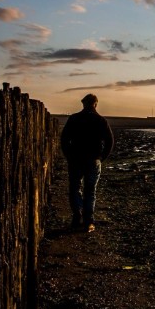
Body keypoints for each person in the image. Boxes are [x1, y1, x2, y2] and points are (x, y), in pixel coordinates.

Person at [61, 94, 114, 232]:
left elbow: (64, 139)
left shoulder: (74, 119)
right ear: (95, 104)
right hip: (93, 159)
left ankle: (77, 215)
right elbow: (110, 141)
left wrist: (69, 155)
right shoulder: (101, 120)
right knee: (90, 191)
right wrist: (102, 157)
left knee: (75, 187)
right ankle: (88, 221)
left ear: (83, 104)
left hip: (76, 158)